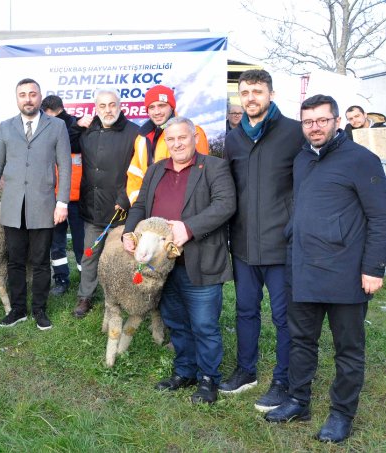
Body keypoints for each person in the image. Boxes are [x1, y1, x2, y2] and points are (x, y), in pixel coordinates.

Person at [264, 95, 386, 444]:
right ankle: (298, 401)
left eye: (321, 120)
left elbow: (380, 217)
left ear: (335, 121)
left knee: (348, 348)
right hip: (303, 267)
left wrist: (374, 267)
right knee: (301, 341)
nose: (314, 127)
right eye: (307, 121)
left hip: (346, 272)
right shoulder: (302, 159)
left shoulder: (362, 160)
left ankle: (342, 414)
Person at [124, 117, 235, 405]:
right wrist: (128, 231)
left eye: (182, 138)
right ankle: (185, 370)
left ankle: (209, 378)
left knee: (204, 324)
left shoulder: (214, 167)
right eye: (171, 139)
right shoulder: (156, 170)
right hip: (163, 266)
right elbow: (139, 206)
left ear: (194, 138)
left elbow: (225, 205)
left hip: (200, 260)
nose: (177, 144)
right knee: (176, 321)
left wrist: (188, 228)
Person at [220, 69, 305, 411]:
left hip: (281, 244)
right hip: (243, 244)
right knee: (245, 311)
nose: (251, 97)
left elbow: (305, 186)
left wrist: (295, 228)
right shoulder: (234, 138)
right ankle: (246, 371)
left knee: (285, 317)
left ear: (270, 93)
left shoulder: (293, 133)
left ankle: (284, 381)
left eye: (257, 90)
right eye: (245, 92)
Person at [0, 78, 72, 331]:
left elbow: (65, 166)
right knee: (15, 261)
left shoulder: (57, 126)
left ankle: (40, 310)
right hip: (12, 206)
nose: (28, 99)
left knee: (41, 261)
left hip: (43, 204)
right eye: (23, 94)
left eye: (32, 94)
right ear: (17, 98)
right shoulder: (6, 127)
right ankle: (18, 309)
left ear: (40, 97)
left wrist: (62, 201)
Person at [70, 89, 138, 318]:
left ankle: (127, 296)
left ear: (120, 106)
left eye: (112, 105)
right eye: (102, 106)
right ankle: (85, 296)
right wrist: (77, 126)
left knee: (123, 257)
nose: (108, 110)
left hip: (121, 210)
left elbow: (138, 172)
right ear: (95, 108)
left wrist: (124, 199)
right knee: (89, 254)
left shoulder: (134, 133)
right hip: (92, 207)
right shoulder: (87, 130)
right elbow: (66, 143)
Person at [126, 84, 210, 204]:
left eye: (161, 105)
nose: (157, 112)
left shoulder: (193, 132)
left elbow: (198, 178)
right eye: (152, 107)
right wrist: (139, 205)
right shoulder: (141, 138)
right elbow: (135, 175)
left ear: (171, 107)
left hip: (181, 212)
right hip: (149, 211)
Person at [40, 94, 84, 297]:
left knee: (80, 243)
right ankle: (61, 279)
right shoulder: (43, 128)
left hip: (77, 199)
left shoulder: (78, 126)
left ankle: (86, 282)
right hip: (54, 198)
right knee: (56, 243)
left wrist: (77, 127)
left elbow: (69, 142)